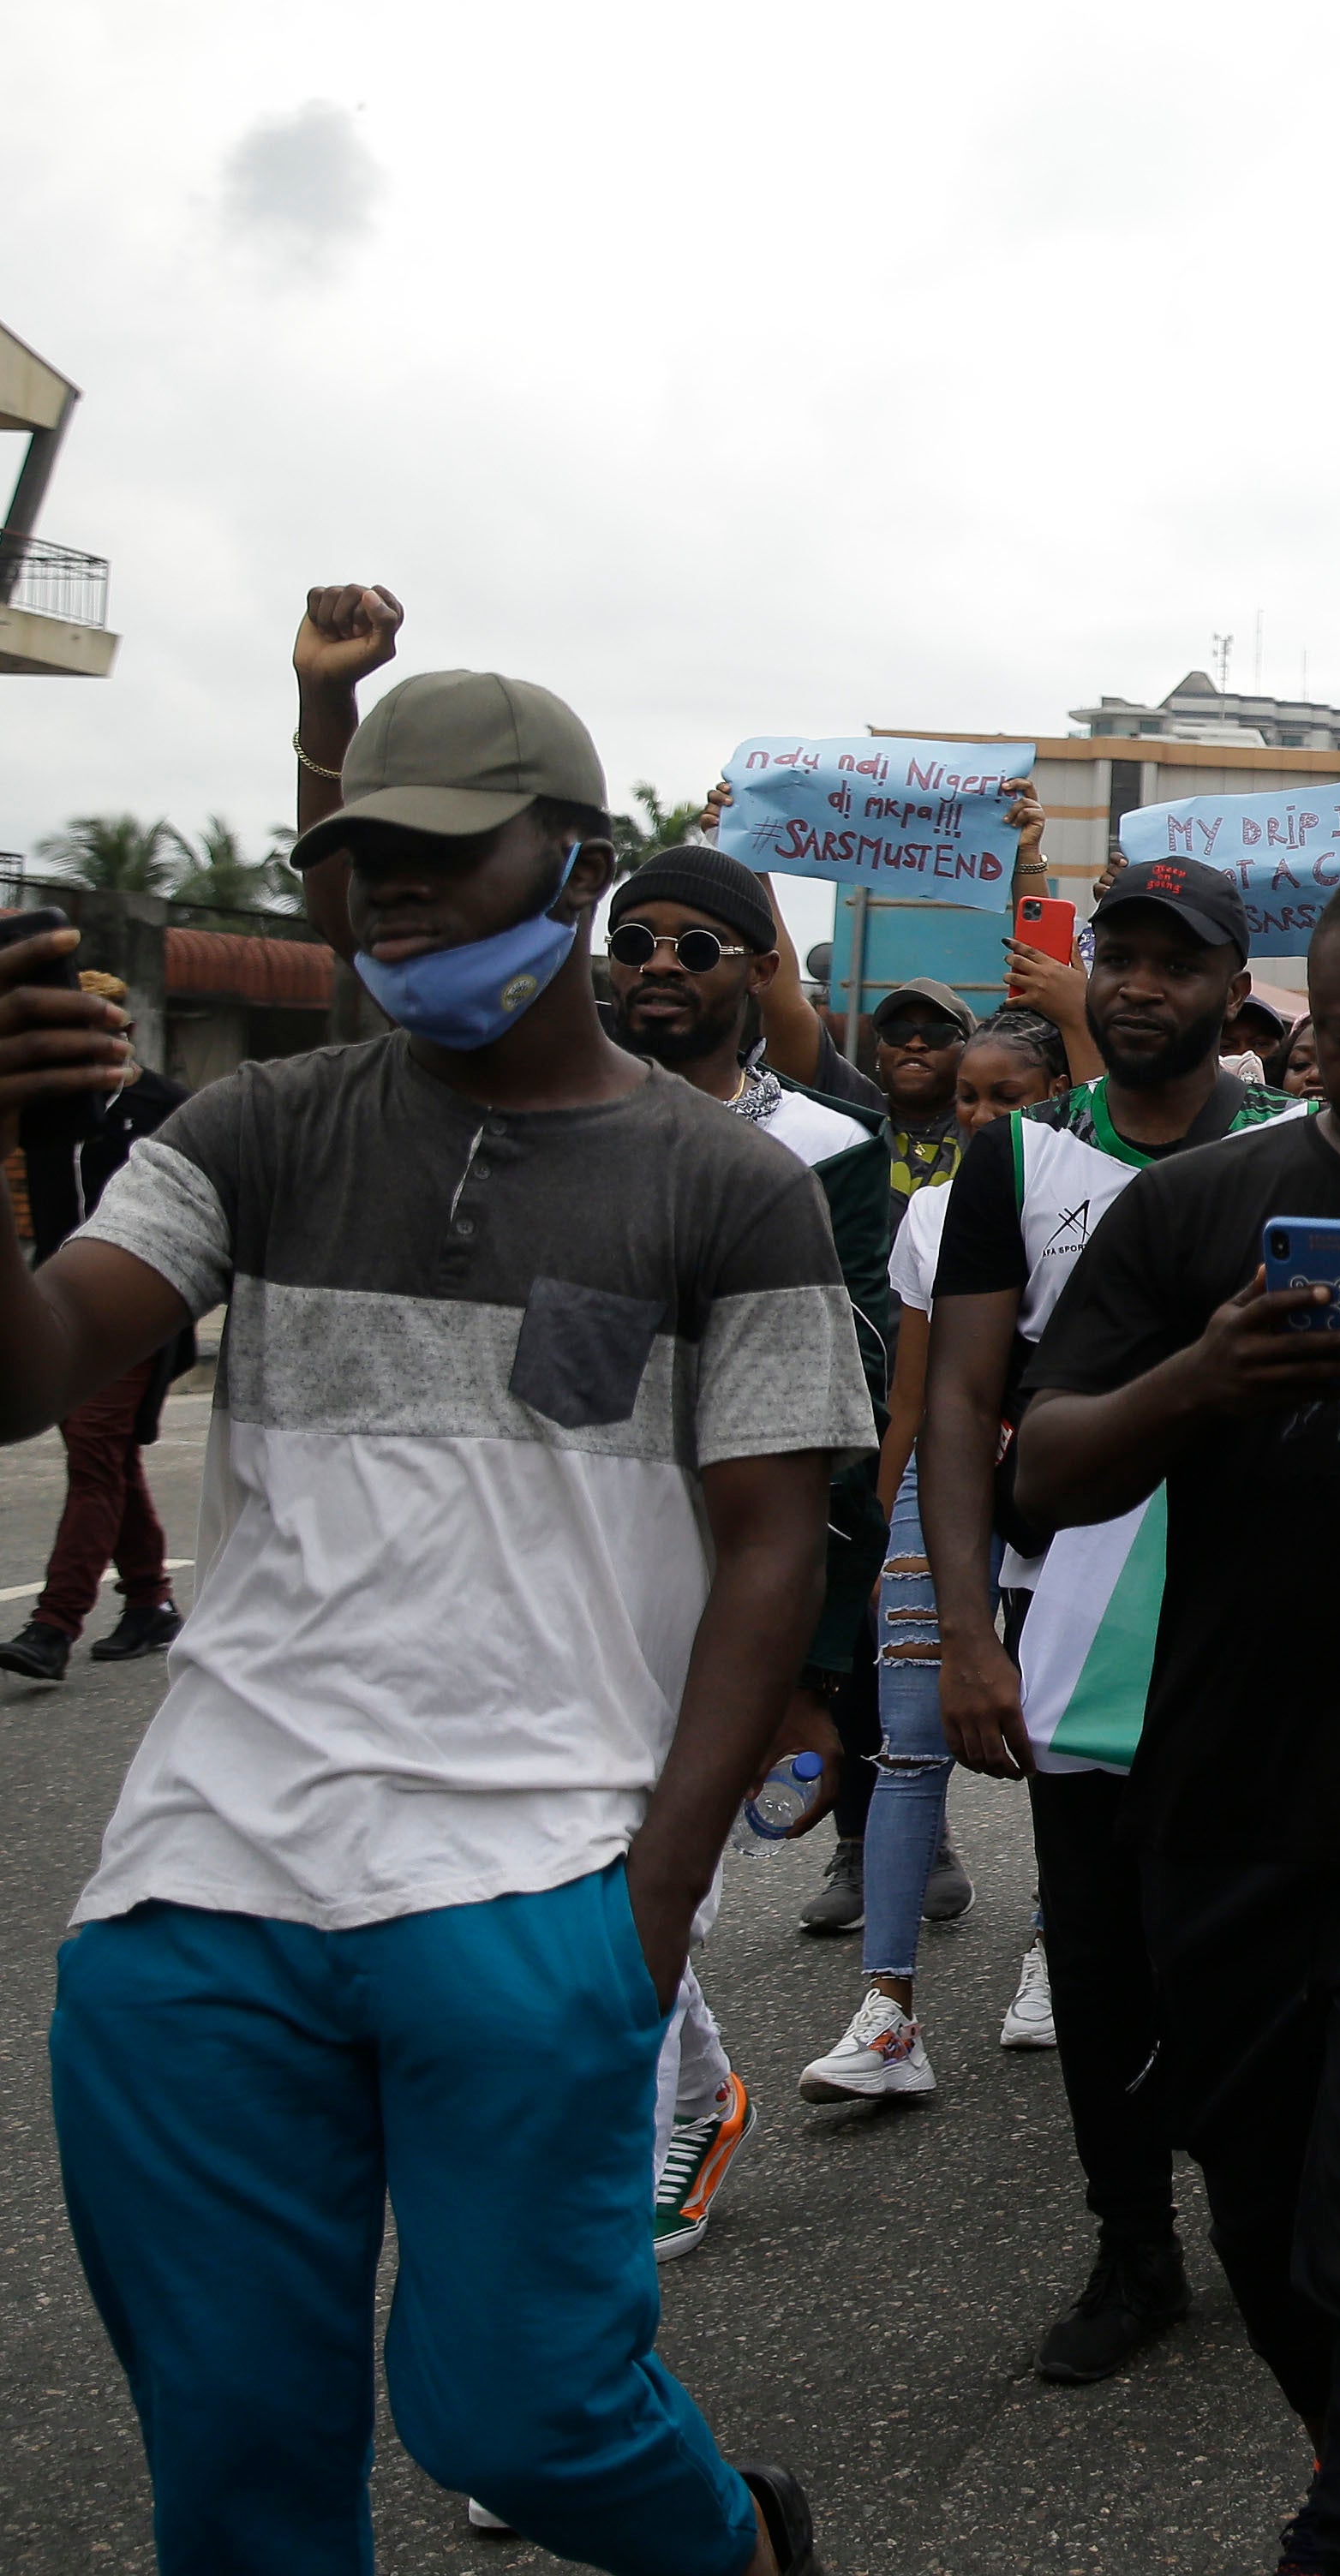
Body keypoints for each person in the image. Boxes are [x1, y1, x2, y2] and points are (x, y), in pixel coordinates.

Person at [0, 645, 851, 2576]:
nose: (394, 890)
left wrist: (651, 1902)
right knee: (237, 2471)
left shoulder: (734, 1189)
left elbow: (771, 1548)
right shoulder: (257, 1131)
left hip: (534, 1875)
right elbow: (34, 1362)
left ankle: (733, 2546)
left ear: (578, 873)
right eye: (365, 852)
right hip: (201, 1893)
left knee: (523, 2422)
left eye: (446, 853)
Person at [1012, 854, 1340, 2576]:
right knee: (1270, 2221)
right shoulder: (1197, 1210)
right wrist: (1203, 1376)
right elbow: (1044, 1473)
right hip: (1218, 1801)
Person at [913, 851, 1300, 2382]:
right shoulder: (1015, 1162)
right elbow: (956, 1399)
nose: (1139, 985)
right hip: (1070, 1632)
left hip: (1261, 1626)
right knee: (1097, 1960)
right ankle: (1132, 2246)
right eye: (1117, 959)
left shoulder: (1294, 1145)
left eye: (1174, 961)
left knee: (1265, 1968)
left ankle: (1288, 2238)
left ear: (1230, 988)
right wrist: (958, 1629)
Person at [600, 840, 915, 2263]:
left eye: (693, 943)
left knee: (637, 1882)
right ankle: (676, 2105)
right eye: (634, 939)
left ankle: (605, 2195)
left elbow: (847, 1394)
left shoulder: (826, 1149)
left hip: (723, 1576)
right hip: (565, 1557)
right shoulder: (552, 1122)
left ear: (754, 968)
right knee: (580, 1886)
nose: (658, 963)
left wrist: (822, 1661)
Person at [797, 1009, 1058, 1943]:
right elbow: (910, 1398)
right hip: (940, 1485)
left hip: (1060, 1490)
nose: (981, 1116)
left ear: (1061, 1098)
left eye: (1009, 1098)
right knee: (909, 1737)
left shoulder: (1100, 1196)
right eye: (968, 1098)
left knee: (1055, 1734)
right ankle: (886, 2001)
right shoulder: (933, 1214)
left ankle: (1049, 1957)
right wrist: (876, 1534)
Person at [2, 994, 189, 1681]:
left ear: (121, 1034)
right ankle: (151, 1601)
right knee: (107, 1460)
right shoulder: (46, 1112)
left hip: (138, 1313)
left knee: (92, 1460)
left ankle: (54, 1623)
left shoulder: (170, 1109)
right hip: (61, 1313)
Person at [859, 980, 977, 1197]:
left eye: (937, 1033)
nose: (914, 1044)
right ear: (878, 1052)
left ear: (968, 1054)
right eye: (897, 1031)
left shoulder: (983, 1129)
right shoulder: (857, 1111)